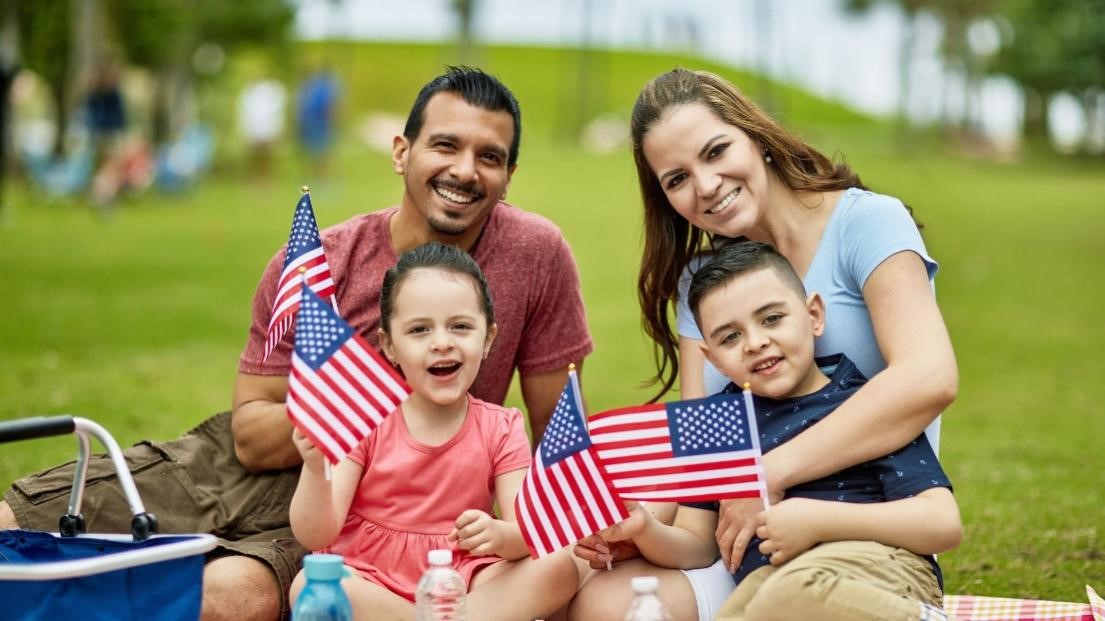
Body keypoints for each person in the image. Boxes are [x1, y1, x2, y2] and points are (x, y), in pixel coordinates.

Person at [1, 66, 593, 621]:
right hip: (257, 466)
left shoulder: (537, 255)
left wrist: (536, 542)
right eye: (445, 145)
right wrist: (360, 413)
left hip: (376, 509)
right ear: (401, 151)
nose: (465, 170)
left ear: (508, 176)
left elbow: (558, 435)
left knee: (234, 597)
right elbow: (251, 437)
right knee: (16, 518)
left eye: (489, 156)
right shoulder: (319, 262)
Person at [569, 68, 956, 620]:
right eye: (676, 179)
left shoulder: (866, 223)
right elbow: (703, 465)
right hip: (750, 553)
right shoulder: (699, 284)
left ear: (756, 135)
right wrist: (642, 529)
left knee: (792, 601)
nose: (705, 186)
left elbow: (929, 379)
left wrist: (768, 473)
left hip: (863, 531)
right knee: (605, 602)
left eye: (716, 150)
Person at [586, 240, 961, 620]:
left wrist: (815, 521)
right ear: (713, 359)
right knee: (758, 603)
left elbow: (942, 524)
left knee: (791, 592)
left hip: (876, 568)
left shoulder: (864, 406)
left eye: (771, 319)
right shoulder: (717, 425)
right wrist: (644, 528)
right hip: (768, 584)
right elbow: (697, 544)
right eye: (730, 337)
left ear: (813, 314)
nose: (756, 342)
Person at [289, 241, 579, 620]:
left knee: (558, 567)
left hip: (462, 576)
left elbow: (525, 529)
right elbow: (316, 535)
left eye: (460, 326)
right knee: (311, 586)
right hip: (371, 576)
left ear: (488, 338)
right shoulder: (368, 419)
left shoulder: (501, 426)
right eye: (419, 330)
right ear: (389, 345)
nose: (442, 342)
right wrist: (315, 468)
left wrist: (501, 536)